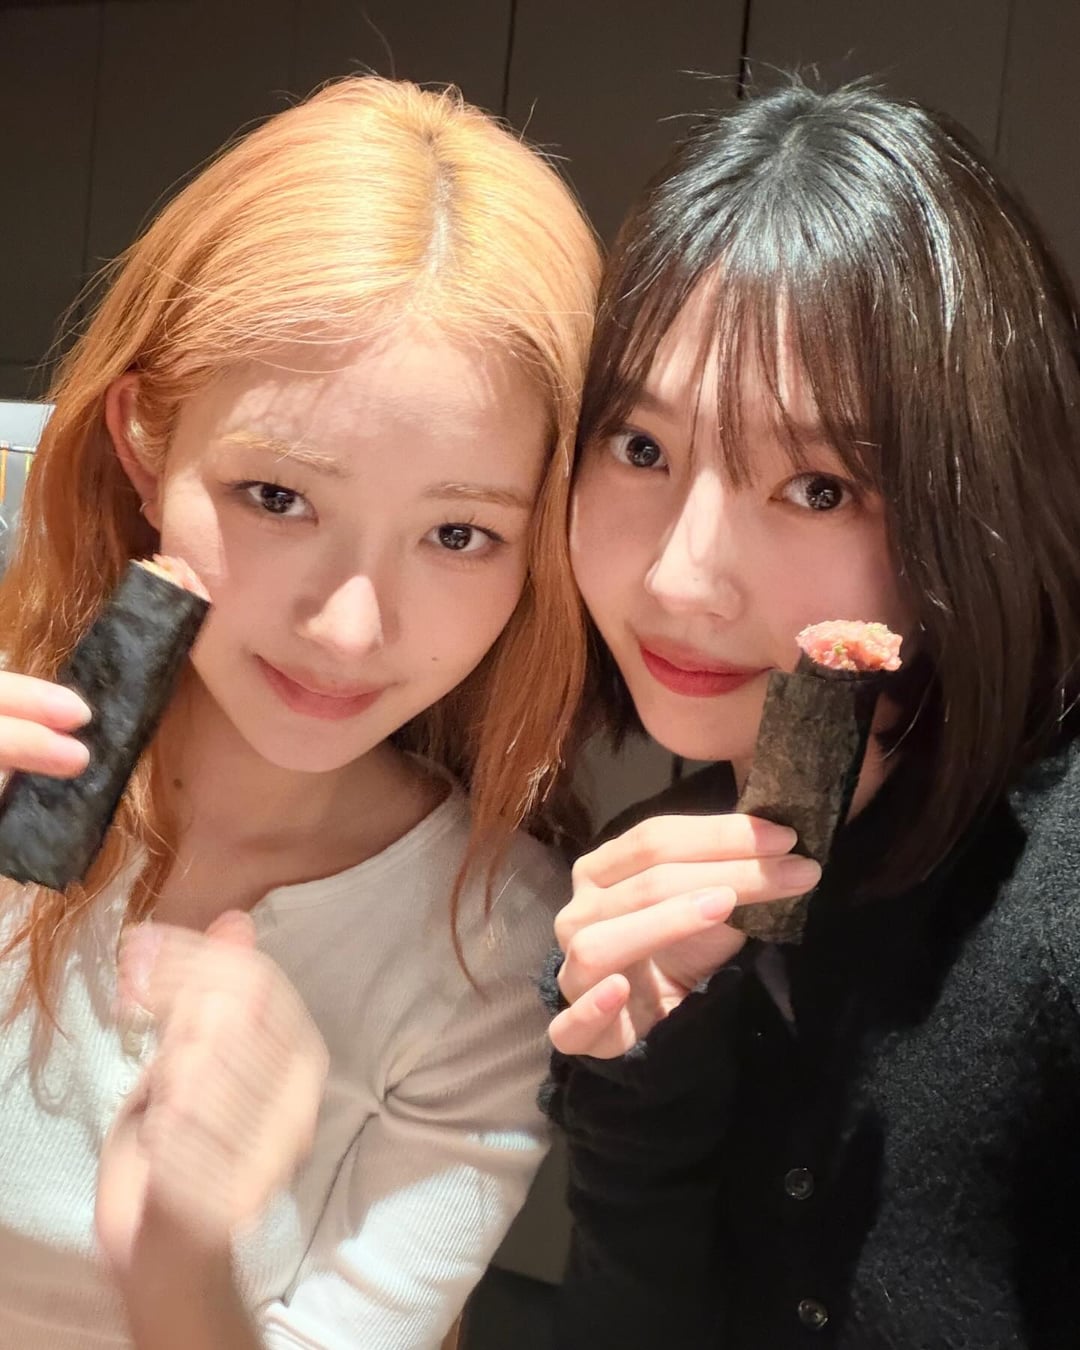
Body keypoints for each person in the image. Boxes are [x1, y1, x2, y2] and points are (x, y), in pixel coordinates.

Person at [0, 76, 599, 1348]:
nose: (350, 628)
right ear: (146, 444)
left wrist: (179, 1257)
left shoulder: (493, 946)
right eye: (278, 497)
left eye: (459, 532)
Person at [544, 79, 1080, 1348]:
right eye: (640, 447)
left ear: (976, 508)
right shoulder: (654, 876)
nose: (680, 579)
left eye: (820, 487)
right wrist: (636, 1085)